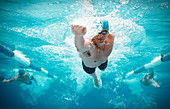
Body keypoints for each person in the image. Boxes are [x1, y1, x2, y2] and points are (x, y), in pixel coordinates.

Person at [71, 21, 115, 87]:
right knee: (92, 73)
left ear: (107, 33)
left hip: (103, 61)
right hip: (89, 66)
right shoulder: (91, 46)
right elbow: (81, 48)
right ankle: (95, 77)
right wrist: (79, 36)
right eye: (97, 33)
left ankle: (101, 69)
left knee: (103, 69)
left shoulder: (111, 38)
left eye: (103, 32)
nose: (100, 36)